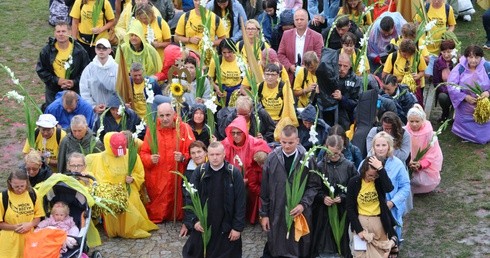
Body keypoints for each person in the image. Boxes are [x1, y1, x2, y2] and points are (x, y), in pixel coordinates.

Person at [260, 125, 321, 258]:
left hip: (299, 210)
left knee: (298, 244)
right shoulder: (272, 158)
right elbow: (264, 189)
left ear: (298, 141)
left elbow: (314, 185)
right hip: (277, 209)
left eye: (290, 143)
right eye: (283, 142)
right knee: (277, 243)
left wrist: (303, 204)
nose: (286, 146)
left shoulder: (307, 159)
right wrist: (264, 214)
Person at [86, 132, 159, 238]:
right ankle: (116, 229)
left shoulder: (132, 155)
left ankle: (131, 228)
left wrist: (133, 178)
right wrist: (113, 189)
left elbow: (139, 172)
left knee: (131, 200)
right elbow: (100, 178)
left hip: (129, 188)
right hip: (111, 190)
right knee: (115, 200)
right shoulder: (101, 159)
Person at [182, 141, 246, 258]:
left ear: (224, 154)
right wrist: (194, 221)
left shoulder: (234, 173)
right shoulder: (199, 172)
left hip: (226, 226)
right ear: (207, 155)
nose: (215, 158)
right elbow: (190, 198)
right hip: (204, 225)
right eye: (212, 155)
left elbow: (240, 202)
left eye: (218, 154)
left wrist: (237, 227)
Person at [140, 103, 196, 223]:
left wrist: (183, 157)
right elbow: (143, 153)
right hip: (159, 175)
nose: (165, 119)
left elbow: (194, 151)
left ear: (174, 114)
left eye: (168, 115)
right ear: (157, 116)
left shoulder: (184, 128)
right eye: (161, 115)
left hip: (178, 172)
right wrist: (150, 159)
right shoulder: (152, 130)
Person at [311, 135, 358, 257]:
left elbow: (355, 188)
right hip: (324, 211)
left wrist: (343, 197)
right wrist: (322, 197)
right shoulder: (320, 166)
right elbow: (314, 187)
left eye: (336, 153)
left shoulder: (349, 166)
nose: (332, 156)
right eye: (329, 153)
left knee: (342, 238)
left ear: (342, 150)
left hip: (343, 210)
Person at [222, 115, 271, 224]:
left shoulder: (254, 142)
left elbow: (262, 151)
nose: (235, 136)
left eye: (238, 133)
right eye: (233, 133)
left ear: (244, 132)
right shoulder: (226, 143)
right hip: (232, 179)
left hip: (250, 180)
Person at [345, 156, 398, 258]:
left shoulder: (378, 181)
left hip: (379, 222)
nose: (372, 178)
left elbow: (389, 188)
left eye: (375, 176)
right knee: (360, 255)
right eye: (370, 175)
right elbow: (350, 207)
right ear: (364, 171)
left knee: (382, 253)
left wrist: (380, 169)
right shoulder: (354, 182)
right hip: (361, 222)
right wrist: (358, 230)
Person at [368, 131, 410, 242]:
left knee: (390, 239)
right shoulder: (365, 163)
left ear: (389, 147)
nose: (380, 149)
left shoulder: (398, 164)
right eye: (377, 145)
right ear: (373, 147)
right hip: (370, 208)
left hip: (390, 208)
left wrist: (393, 202)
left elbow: (405, 186)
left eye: (384, 145)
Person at [36, 21, 90, 106]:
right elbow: (41, 70)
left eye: (63, 31)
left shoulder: (79, 51)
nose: (61, 34)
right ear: (55, 33)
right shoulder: (47, 51)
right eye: (58, 31)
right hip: (54, 90)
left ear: (70, 32)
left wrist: (74, 82)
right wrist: (57, 81)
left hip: (74, 90)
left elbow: (86, 71)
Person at [447, 45, 490, 144]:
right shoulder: (459, 68)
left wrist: (488, 92)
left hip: (483, 104)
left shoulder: (487, 67)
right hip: (466, 105)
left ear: (481, 57)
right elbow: (451, 85)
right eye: (471, 57)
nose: (473, 60)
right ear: (466, 57)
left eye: (477, 57)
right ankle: (465, 133)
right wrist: (464, 97)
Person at [0, 170, 44, 258]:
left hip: (29, 239)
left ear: (27, 182)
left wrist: (30, 224)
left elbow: (38, 216)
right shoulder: (3, 197)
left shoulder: (34, 194)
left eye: (22, 186)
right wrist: (14, 227)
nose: (20, 189)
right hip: (9, 243)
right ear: (10, 183)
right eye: (16, 186)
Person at [316, 52, 361, 130]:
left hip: (346, 119)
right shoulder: (328, 76)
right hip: (326, 115)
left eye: (345, 66)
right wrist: (317, 92)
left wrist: (342, 98)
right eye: (339, 65)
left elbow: (357, 104)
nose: (342, 69)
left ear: (350, 66)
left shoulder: (356, 80)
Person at [278, 9, 324, 83]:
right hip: (290, 77)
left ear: (307, 20)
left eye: (302, 19)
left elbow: (319, 56)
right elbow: (280, 54)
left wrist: (306, 67)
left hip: (309, 78)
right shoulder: (286, 34)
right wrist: (290, 66)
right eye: (297, 19)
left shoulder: (317, 37)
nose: (299, 22)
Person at [406, 104, 442, 194]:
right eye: (411, 121)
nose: (414, 124)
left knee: (421, 182)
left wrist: (420, 164)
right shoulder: (405, 132)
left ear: (422, 121)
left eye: (417, 121)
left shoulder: (429, 134)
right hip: (408, 163)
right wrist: (408, 161)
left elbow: (433, 154)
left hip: (423, 165)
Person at [414, 0, 456, 77]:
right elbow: (418, 23)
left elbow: (452, 25)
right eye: (434, 0)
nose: (436, 2)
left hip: (440, 48)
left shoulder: (448, 9)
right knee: (427, 75)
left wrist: (448, 33)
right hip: (426, 49)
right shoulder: (425, 8)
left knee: (443, 75)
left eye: (439, 0)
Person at [382, 39, 427, 107]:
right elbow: (385, 74)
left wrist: (418, 76)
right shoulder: (393, 56)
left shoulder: (418, 56)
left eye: (409, 55)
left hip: (413, 89)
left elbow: (422, 71)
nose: (407, 57)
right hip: (396, 88)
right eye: (405, 54)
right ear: (400, 50)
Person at [80, 38, 118, 115]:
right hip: (96, 112)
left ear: (109, 50)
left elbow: (121, 90)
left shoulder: (117, 68)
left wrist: (114, 106)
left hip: (114, 111)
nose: (101, 50)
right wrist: (93, 106)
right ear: (95, 50)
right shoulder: (89, 69)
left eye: (104, 48)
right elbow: (84, 90)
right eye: (99, 48)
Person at [179, 140, 208, 237]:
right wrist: (187, 222)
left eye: (199, 152)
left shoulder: (214, 166)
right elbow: (187, 198)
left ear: (206, 152)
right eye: (193, 153)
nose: (197, 155)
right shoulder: (188, 173)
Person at [208, 38, 243, 106]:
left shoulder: (241, 61)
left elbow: (245, 80)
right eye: (224, 52)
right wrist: (216, 88)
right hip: (221, 92)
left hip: (235, 92)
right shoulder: (216, 60)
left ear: (234, 50)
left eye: (229, 52)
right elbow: (210, 78)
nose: (227, 55)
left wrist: (240, 90)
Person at [433, 40, 457, 122]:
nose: (446, 55)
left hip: (457, 90)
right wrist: (447, 90)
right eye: (443, 52)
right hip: (445, 90)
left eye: (449, 52)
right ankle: (445, 111)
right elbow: (436, 82)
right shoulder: (437, 62)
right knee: (442, 97)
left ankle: (454, 112)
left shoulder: (458, 62)